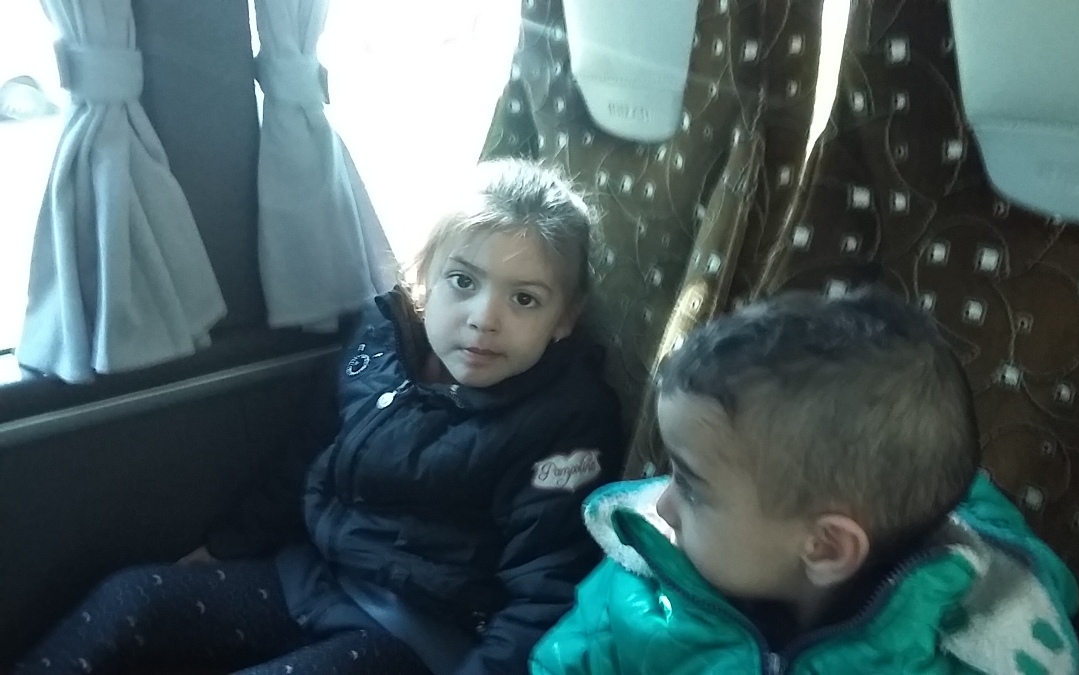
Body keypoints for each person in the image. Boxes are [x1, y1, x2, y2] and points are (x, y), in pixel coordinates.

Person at [15, 158, 624, 675]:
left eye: (524, 299)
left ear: (565, 319)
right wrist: (230, 547)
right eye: (463, 281)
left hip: (419, 636)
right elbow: (304, 457)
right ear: (423, 281)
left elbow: (546, 592)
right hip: (312, 575)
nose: (484, 318)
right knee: (132, 600)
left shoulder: (565, 426)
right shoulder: (381, 345)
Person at [532, 289, 1079, 674]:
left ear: (825, 546)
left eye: (691, 486)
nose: (663, 506)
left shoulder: (975, 646)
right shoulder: (645, 578)